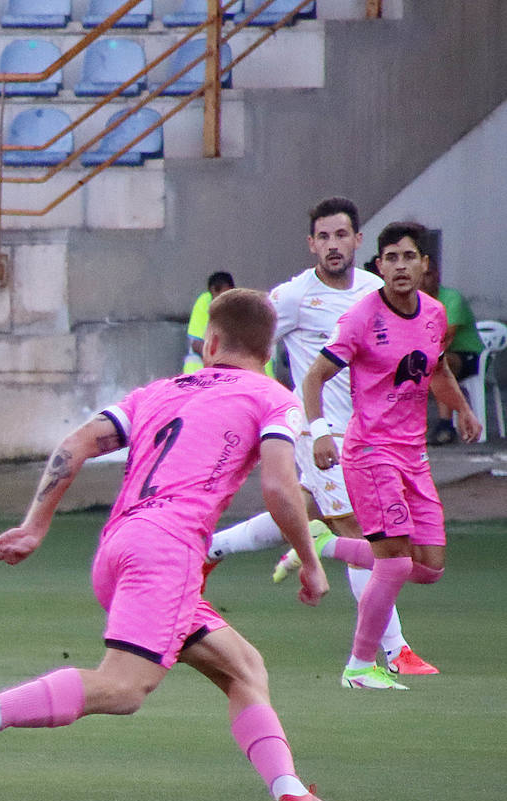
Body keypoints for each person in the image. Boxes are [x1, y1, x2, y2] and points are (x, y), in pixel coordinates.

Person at [0, 289, 359, 801]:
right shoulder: (273, 398)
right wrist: (310, 562)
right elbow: (278, 484)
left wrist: (36, 524)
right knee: (125, 688)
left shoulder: (160, 390)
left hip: (119, 546)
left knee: (244, 668)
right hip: (169, 551)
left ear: (212, 342)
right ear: (268, 350)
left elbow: (76, 443)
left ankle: (293, 795)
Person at [204, 197, 438, 676]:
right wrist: (258, 404)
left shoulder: (377, 290)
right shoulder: (291, 297)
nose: (333, 246)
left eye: (342, 235)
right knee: (362, 532)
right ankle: (392, 652)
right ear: (312, 244)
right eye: (324, 237)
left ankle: (210, 547)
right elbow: (251, 346)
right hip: (322, 435)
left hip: (375, 436)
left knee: (303, 512)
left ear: (357, 241)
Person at [302, 222, 482, 689]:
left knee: (429, 568)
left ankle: (325, 544)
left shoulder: (435, 314)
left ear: (425, 265)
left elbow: (436, 367)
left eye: (409, 257)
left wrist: (461, 409)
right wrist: (320, 432)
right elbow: (314, 377)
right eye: (391, 259)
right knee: (397, 562)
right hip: (370, 451)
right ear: (378, 266)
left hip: (413, 455)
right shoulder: (362, 318)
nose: (400, 267)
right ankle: (360, 666)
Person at [421, 255, 485, 445]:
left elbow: (445, 336)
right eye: (421, 275)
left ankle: (445, 425)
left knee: (439, 363)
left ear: (437, 276)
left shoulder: (451, 298)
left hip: (470, 356)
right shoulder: (414, 300)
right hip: (432, 354)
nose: (424, 280)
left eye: (429, 275)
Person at [182, 271, 235, 373]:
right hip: (197, 373)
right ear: (212, 291)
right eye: (221, 296)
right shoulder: (204, 302)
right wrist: (220, 358)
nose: (224, 300)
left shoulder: (236, 305)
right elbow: (195, 343)